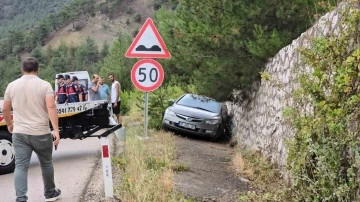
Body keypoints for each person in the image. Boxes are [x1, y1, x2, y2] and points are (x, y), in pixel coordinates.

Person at [2, 57, 61, 202]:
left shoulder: (12, 85)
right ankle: (50, 193)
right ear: (38, 70)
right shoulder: (45, 85)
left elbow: (5, 108)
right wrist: (56, 130)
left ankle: (21, 198)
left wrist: (10, 124)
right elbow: (51, 106)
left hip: (20, 133)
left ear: (22, 70)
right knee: (46, 163)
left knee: (21, 166)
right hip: (40, 132)